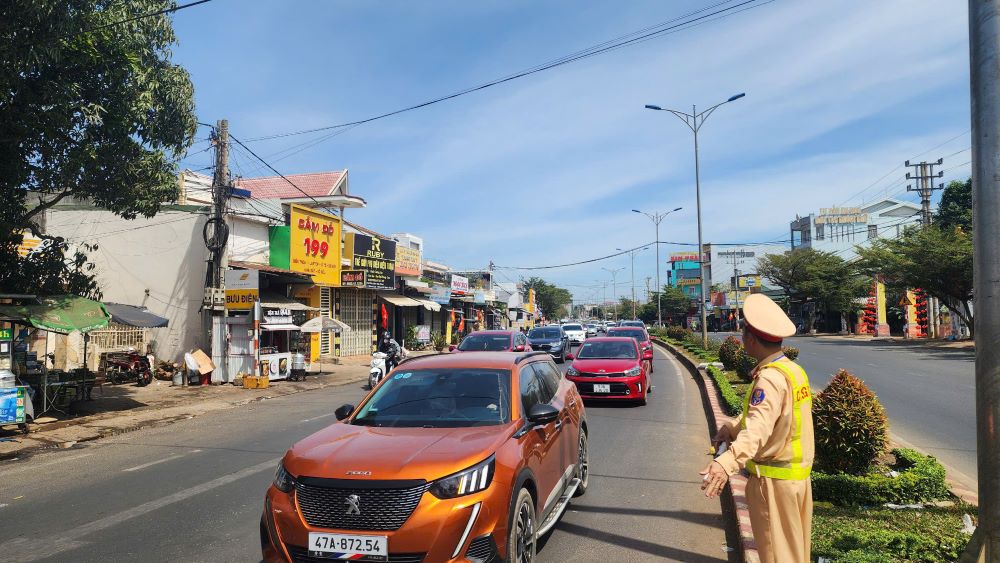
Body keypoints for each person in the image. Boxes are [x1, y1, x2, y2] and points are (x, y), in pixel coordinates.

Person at [699, 293, 814, 563]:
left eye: (743, 334)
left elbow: (758, 432)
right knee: (795, 554)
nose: (741, 340)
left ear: (751, 338)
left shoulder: (768, 380)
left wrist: (726, 463)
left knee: (775, 555)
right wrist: (732, 426)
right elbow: (772, 418)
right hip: (797, 480)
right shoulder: (791, 371)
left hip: (773, 484)